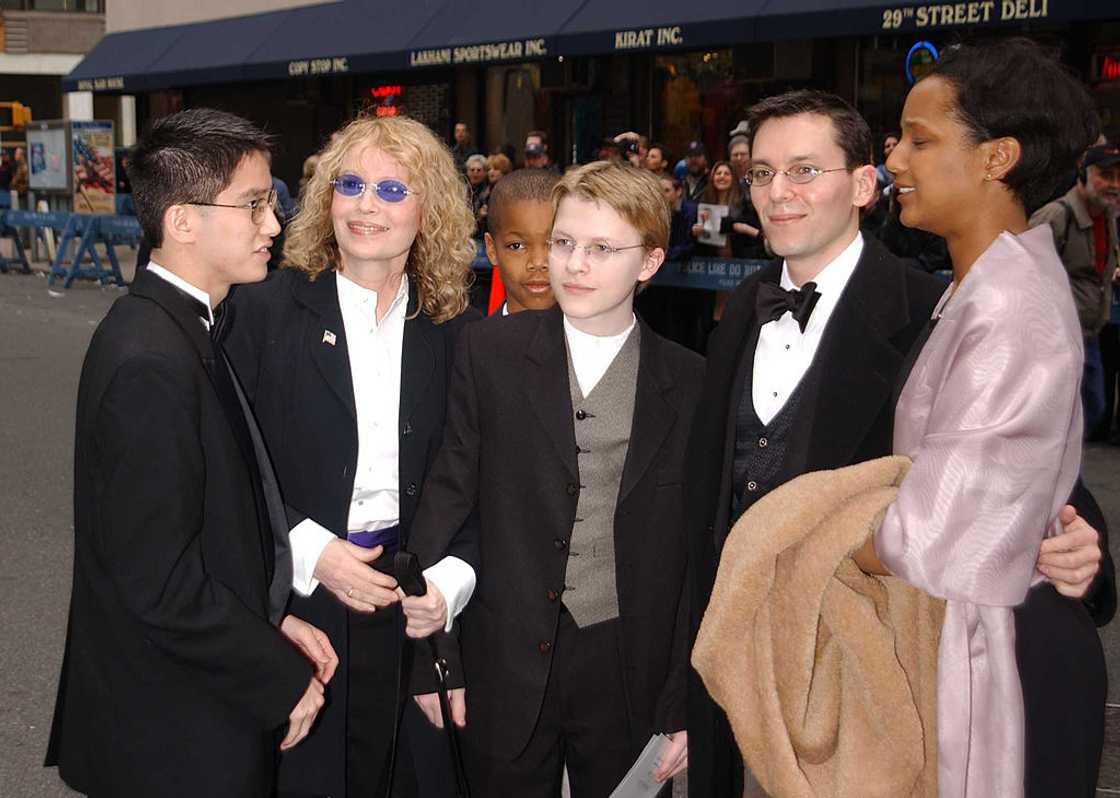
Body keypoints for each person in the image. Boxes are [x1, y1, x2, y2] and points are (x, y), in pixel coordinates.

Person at [685, 88, 1113, 798]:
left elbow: (1033, 464)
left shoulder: (929, 310)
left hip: (865, 698)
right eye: (761, 172)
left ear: (862, 184)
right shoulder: (736, 317)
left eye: (804, 171)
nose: (777, 193)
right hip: (742, 671)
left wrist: (1083, 547)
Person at [45, 108, 334, 798]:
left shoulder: (178, 325)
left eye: (275, 201)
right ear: (181, 221)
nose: (273, 224)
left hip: (181, 708)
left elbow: (208, 533)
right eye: (255, 204)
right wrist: (277, 672)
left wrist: (272, 618)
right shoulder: (152, 356)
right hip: (173, 735)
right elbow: (159, 581)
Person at [405, 161, 700, 796]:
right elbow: (448, 501)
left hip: (628, 661)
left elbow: (696, 556)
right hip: (504, 651)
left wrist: (687, 699)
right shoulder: (489, 352)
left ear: (649, 262)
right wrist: (435, 661)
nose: (573, 264)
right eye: (565, 243)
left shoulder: (692, 384)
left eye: (601, 249)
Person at [869, 38, 1108, 797]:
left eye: (920, 138)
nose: (895, 160)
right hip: (977, 641)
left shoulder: (1010, 305)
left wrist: (803, 543)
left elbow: (930, 534)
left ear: (996, 157)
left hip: (1003, 662)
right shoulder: (984, 287)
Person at [224, 114, 481, 798]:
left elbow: (486, 480)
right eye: (351, 184)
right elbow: (228, 469)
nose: (367, 205)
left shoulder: (459, 328)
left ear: (429, 209)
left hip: (416, 599)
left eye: (393, 190)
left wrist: (449, 586)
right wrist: (311, 553)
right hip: (304, 597)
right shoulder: (261, 311)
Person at [1030, 143, 1119, 439]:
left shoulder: (1107, 216)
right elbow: (1024, 275)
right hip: (1056, 340)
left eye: (1119, 178)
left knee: (1090, 410)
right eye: (1106, 175)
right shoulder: (1055, 216)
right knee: (1064, 420)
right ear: (1083, 174)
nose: (1114, 185)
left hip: (1089, 333)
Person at [482, 167, 558, 315]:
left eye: (554, 243)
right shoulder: (472, 337)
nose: (538, 263)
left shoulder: (602, 334)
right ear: (492, 250)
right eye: (517, 246)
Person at [465, 153, 489, 239]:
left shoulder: (489, 192)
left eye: (479, 170)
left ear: (485, 172)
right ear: (467, 172)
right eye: (472, 170)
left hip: (481, 237)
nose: (475, 173)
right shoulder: (463, 190)